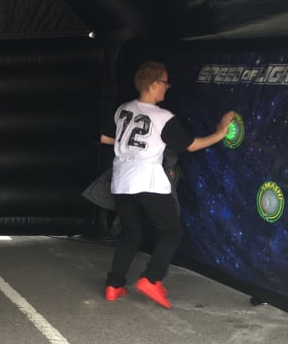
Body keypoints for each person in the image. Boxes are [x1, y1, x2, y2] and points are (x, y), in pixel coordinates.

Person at [99, 61, 234, 309]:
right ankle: (151, 279)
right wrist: (220, 133)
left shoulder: (122, 110)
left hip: (121, 181)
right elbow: (192, 145)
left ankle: (114, 285)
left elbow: (106, 138)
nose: (167, 87)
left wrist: (130, 145)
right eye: (164, 83)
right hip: (148, 181)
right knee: (171, 232)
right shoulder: (163, 117)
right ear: (153, 85)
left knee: (131, 233)